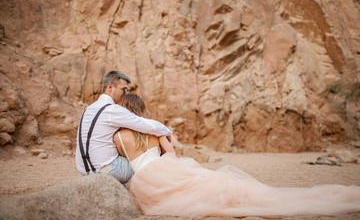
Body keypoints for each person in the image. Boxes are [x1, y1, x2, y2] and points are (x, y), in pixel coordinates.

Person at [113, 93, 360, 218]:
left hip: (144, 178)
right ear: (142, 110)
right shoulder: (155, 131)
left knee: (186, 200)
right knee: (205, 185)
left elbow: (123, 160)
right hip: (163, 167)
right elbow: (172, 154)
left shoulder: (118, 137)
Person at [75, 71, 172, 183]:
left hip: (84, 169)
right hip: (107, 170)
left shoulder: (89, 109)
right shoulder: (112, 109)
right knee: (143, 163)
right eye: (124, 89)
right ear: (110, 87)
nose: (126, 94)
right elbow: (145, 125)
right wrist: (167, 132)